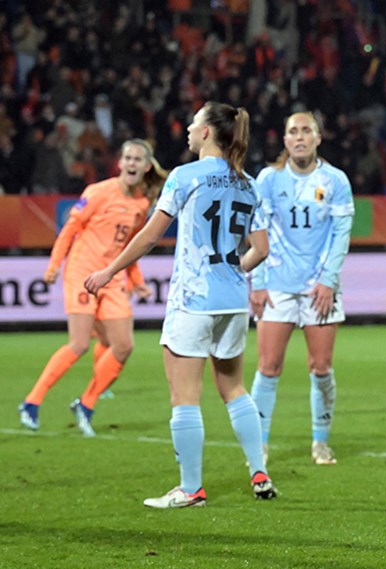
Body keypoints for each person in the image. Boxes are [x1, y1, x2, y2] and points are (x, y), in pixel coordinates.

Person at [85, 101, 278, 508]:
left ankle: (191, 489)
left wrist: (109, 271)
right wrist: (232, 272)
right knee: (234, 388)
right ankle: (259, 470)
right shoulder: (248, 183)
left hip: (193, 298)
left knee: (184, 395)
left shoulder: (186, 176)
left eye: (193, 123)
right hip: (232, 300)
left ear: (206, 132)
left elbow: (150, 236)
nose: (188, 130)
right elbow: (260, 249)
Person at [18, 139, 165, 436]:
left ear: (147, 166)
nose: (132, 163)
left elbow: (130, 248)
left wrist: (136, 281)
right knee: (79, 343)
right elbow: (69, 230)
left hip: (111, 279)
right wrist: (53, 265)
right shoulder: (97, 192)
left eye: (138, 159)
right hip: (83, 273)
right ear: (119, 163)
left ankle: (86, 404)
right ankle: (32, 402)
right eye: (128, 158)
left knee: (123, 346)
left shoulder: (142, 205)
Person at [249, 111, 354, 466]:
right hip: (277, 285)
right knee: (268, 366)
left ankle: (320, 442)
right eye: (292, 131)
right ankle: (258, 445)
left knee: (320, 367)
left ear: (318, 138)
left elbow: (341, 236)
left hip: (318, 287)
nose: (299, 137)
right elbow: (257, 232)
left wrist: (328, 280)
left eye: (306, 130)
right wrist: (258, 283)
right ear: (284, 139)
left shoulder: (335, 180)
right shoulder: (268, 179)